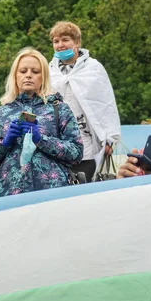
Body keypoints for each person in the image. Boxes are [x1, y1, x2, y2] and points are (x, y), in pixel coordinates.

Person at [0, 48, 84, 197]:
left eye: (35, 71)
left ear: (44, 76)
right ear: (15, 76)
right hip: (11, 196)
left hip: (54, 195)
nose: (28, 75)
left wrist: (41, 140)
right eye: (23, 71)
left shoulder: (59, 109)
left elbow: (77, 154)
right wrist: (4, 143)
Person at [48, 21, 121, 182]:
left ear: (77, 42)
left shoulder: (93, 69)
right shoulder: (49, 72)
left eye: (65, 39)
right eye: (56, 41)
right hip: (57, 145)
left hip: (85, 145)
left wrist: (110, 138)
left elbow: (105, 104)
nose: (60, 45)